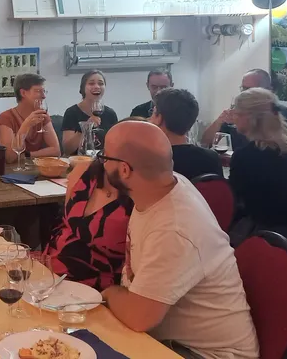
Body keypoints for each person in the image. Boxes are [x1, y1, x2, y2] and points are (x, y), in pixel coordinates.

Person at [99, 121, 258, 359]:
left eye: (104, 158)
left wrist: (108, 293)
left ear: (124, 170)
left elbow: (138, 318)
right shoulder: (164, 184)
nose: (101, 164)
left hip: (204, 353)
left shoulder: (174, 228)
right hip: (166, 338)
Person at [228, 88, 287, 244]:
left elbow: (232, 201)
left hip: (265, 233)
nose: (233, 118)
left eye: (237, 113)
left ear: (250, 118)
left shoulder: (244, 156)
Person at [42, 156, 132, 290]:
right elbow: (66, 223)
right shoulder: (83, 171)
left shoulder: (141, 191)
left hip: (98, 287)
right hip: (48, 270)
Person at [202, 68, 287, 149]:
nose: (244, 94)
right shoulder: (238, 112)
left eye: (250, 90)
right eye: (243, 89)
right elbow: (205, 142)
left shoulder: (280, 112)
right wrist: (219, 121)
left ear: (267, 90)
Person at [150, 88, 223, 180]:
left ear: (159, 118)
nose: (149, 119)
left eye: (152, 113)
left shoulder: (152, 162)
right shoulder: (212, 158)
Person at [0, 73, 61, 163]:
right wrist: (26, 125)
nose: (43, 96)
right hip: (12, 172)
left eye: (44, 91)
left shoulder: (42, 115)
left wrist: (28, 155)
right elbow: (9, 157)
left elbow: (56, 151)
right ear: (23, 93)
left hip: (35, 170)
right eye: (38, 91)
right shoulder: (6, 117)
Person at [61, 70, 118, 155]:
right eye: (91, 83)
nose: (97, 86)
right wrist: (85, 128)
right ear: (83, 88)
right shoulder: (72, 112)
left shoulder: (110, 114)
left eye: (101, 83)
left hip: (104, 162)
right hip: (79, 161)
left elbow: (116, 145)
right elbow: (67, 150)